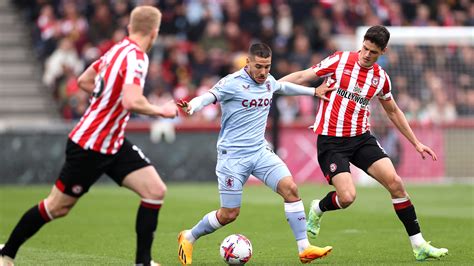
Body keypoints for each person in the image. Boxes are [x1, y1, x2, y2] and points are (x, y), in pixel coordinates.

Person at [0, 6, 178, 266]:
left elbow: (85, 80)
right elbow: (131, 101)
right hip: (90, 145)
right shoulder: (138, 58)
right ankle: (6, 253)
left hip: (113, 142)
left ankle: (143, 262)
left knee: (154, 190)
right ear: (155, 32)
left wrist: (104, 100)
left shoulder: (117, 50)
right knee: (57, 207)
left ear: (130, 28)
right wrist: (160, 110)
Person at [279, 25, 448, 261]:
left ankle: (419, 245)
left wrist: (416, 143)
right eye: (365, 48)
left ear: (383, 52)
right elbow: (302, 76)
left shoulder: (381, 78)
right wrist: (272, 87)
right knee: (347, 197)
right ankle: (318, 208)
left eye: (373, 52)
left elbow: (393, 111)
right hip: (331, 141)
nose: (366, 54)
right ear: (362, 44)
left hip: (361, 139)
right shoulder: (339, 61)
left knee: (396, 183)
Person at [176, 43, 333, 265]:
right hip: (233, 157)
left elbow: (281, 87)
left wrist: (313, 92)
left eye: (267, 66)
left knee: (291, 189)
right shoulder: (232, 83)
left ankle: (304, 248)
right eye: (258, 66)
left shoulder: (268, 80)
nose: (263, 72)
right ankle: (189, 236)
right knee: (229, 214)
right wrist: (192, 106)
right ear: (248, 63)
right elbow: (210, 96)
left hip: (260, 152)